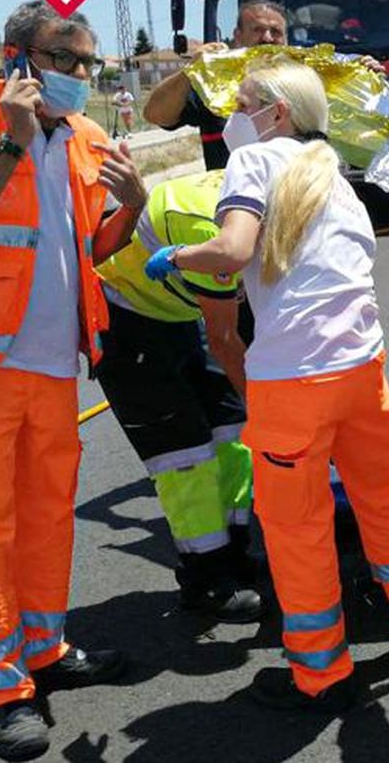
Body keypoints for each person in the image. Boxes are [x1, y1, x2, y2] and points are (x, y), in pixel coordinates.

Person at [148, 59, 389, 710]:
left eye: (243, 103)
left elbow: (232, 252)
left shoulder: (254, 162)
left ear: (278, 112)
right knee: (381, 500)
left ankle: (320, 673)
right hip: (363, 369)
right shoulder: (333, 175)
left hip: (295, 378)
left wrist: (176, 256)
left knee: (296, 528)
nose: (234, 117)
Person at [0, 0, 146, 761]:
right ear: (16, 57)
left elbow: (87, 249)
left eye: (88, 62)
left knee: (48, 518)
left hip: (53, 364)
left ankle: (44, 649)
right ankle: (1, 686)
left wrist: (133, 206)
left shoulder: (84, 136)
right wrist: (10, 145)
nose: (78, 74)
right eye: (62, 59)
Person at [92, 169, 261, 623]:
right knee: (184, 453)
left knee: (231, 429)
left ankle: (235, 553)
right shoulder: (210, 230)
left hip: (180, 313)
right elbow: (226, 340)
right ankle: (206, 578)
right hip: (125, 317)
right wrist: (274, 413)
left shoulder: (258, 189)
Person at [144, 0, 289, 171]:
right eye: (257, 30)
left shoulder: (307, 84)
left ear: (285, 39)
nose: (267, 38)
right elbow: (156, 114)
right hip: (232, 187)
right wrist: (191, 70)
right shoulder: (214, 85)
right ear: (238, 36)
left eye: (276, 31)